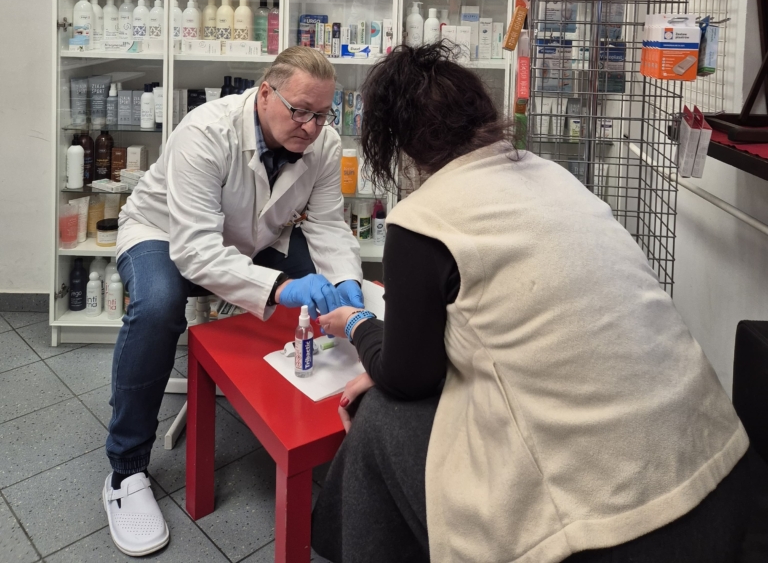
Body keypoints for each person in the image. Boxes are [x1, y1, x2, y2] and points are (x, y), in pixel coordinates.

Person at [314, 42, 754, 563]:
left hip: (618, 530)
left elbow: (408, 378)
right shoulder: (553, 175)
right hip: (724, 471)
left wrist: (361, 324)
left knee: (381, 414)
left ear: (398, 146)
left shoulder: (422, 219)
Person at [103, 48, 363, 557]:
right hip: (164, 233)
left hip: (249, 240)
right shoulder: (207, 131)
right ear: (265, 94)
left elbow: (328, 224)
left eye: (322, 114)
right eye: (300, 111)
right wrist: (280, 288)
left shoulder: (324, 143)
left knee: (327, 291)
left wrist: (348, 280)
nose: (311, 127)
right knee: (157, 307)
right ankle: (125, 470)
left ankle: (314, 418)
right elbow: (196, 250)